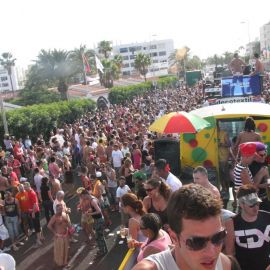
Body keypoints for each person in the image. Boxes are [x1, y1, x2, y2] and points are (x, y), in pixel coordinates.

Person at [133, 184, 231, 270]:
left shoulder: (224, 264)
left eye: (218, 237)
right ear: (174, 237)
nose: (212, 253)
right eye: (197, 242)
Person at [225, 184, 270, 270]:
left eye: (257, 203)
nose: (256, 207)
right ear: (241, 204)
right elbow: (230, 253)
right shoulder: (231, 223)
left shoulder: (268, 217)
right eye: (251, 205)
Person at [47, 203, 71, 268]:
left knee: (66, 250)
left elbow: (68, 224)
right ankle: (60, 263)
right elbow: (49, 226)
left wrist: (70, 230)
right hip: (59, 237)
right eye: (58, 209)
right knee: (60, 250)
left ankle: (65, 263)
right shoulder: (54, 217)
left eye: (61, 208)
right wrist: (55, 233)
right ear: (56, 210)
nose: (60, 210)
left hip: (66, 235)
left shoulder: (65, 214)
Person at [217, 124, 231, 193]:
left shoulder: (224, 133)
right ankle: (223, 188)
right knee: (219, 174)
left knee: (225, 174)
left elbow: (229, 144)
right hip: (215, 158)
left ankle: (227, 189)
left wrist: (221, 144)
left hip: (223, 157)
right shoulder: (212, 134)